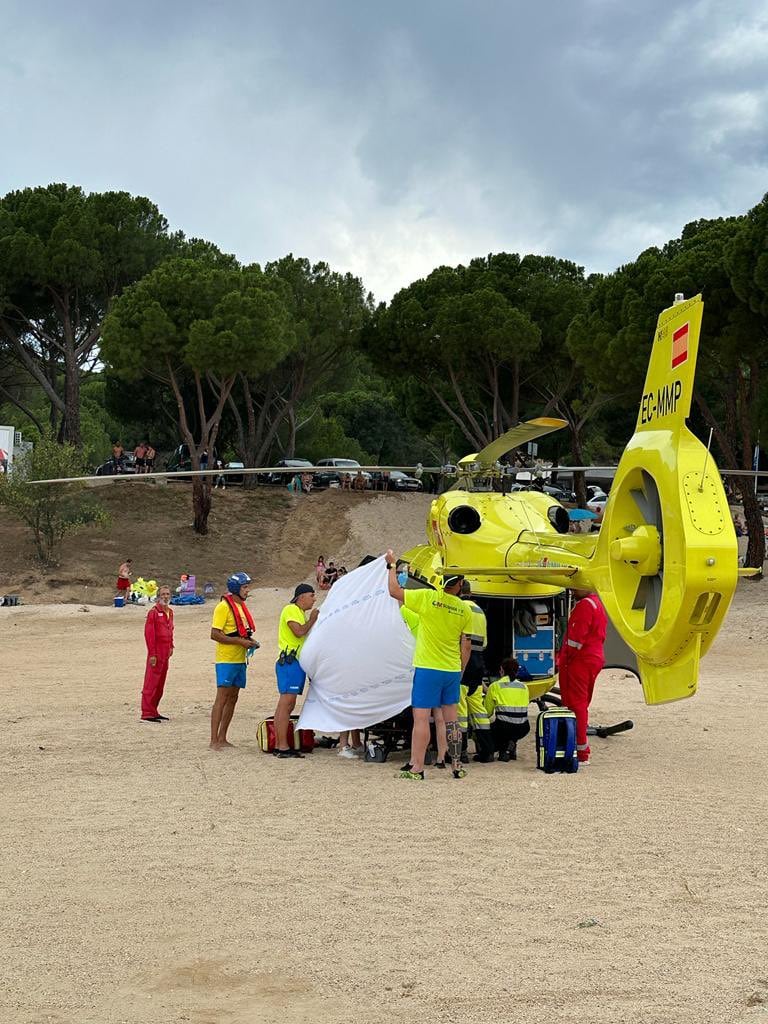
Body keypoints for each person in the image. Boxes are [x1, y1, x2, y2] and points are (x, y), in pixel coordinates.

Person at [386, 550, 472, 780]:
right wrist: (460, 669)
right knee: (452, 721)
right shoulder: (465, 609)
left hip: (428, 667)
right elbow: (466, 644)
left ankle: (417, 768)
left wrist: (391, 566)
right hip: (451, 669)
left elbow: (394, 591)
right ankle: (456, 766)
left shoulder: (427, 598)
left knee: (422, 719)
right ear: (460, 584)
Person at [209, 572, 260, 750]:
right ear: (236, 589)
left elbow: (241, 632)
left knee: (233, 698)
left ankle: (223, 737)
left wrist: (250, 642)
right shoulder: (223, 607)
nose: (248, 590)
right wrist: (240, 641)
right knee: (221, 699)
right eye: (245, 587)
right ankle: (213, 740)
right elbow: (214, 634)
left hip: (239, 659)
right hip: (226, 659)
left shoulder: (240, 607)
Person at [558, 588, 607, 765]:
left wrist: (563, 660)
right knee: (582, 702)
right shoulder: (597, 604)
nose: (572, 589)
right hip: (592, 658)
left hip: (580, 660)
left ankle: (580, 750)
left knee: (575, 704)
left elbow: (575, 639)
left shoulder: (585, 606)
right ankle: (578, 746)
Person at [273, 583, 319, 759]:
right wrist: (313, 619)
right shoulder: (291, 609)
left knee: (287, 704)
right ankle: (282, 746)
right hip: (289, 662)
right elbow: (299, 631)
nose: (314, 599)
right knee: (286, 703)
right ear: (301, 597)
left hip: (294, 663)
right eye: (311, 595)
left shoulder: (299, 613)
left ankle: (280, 744)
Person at [457, 581, 494, 763]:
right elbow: (484, 643)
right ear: (471, 592)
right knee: (478, 710)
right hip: (479, 665)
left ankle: (461, 752)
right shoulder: (480, 612)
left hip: (463, 664)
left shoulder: (457, 608)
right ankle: (487, 751)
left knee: (460, 712)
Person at [484, 656, 530, 761]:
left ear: (501, 670)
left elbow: (487, 712)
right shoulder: (524, 687)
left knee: (489, 729)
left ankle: (502, 750)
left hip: (503, 728)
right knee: (511, 725)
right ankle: (510, 745)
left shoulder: (495, 686)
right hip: (523, 728)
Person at [140, 585, 174, 722]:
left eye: (167, 594)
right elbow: (149, 635)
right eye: (163, 594)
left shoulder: (170, 612)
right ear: (158, 596)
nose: (165, 596)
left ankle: (154, 710)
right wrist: (152, 654)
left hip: (166, 652)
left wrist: (171, 645)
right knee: (151, 682)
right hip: (156, 652)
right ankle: (147, 712)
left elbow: (170, 630)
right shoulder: (153, 612)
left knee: (160, 683)